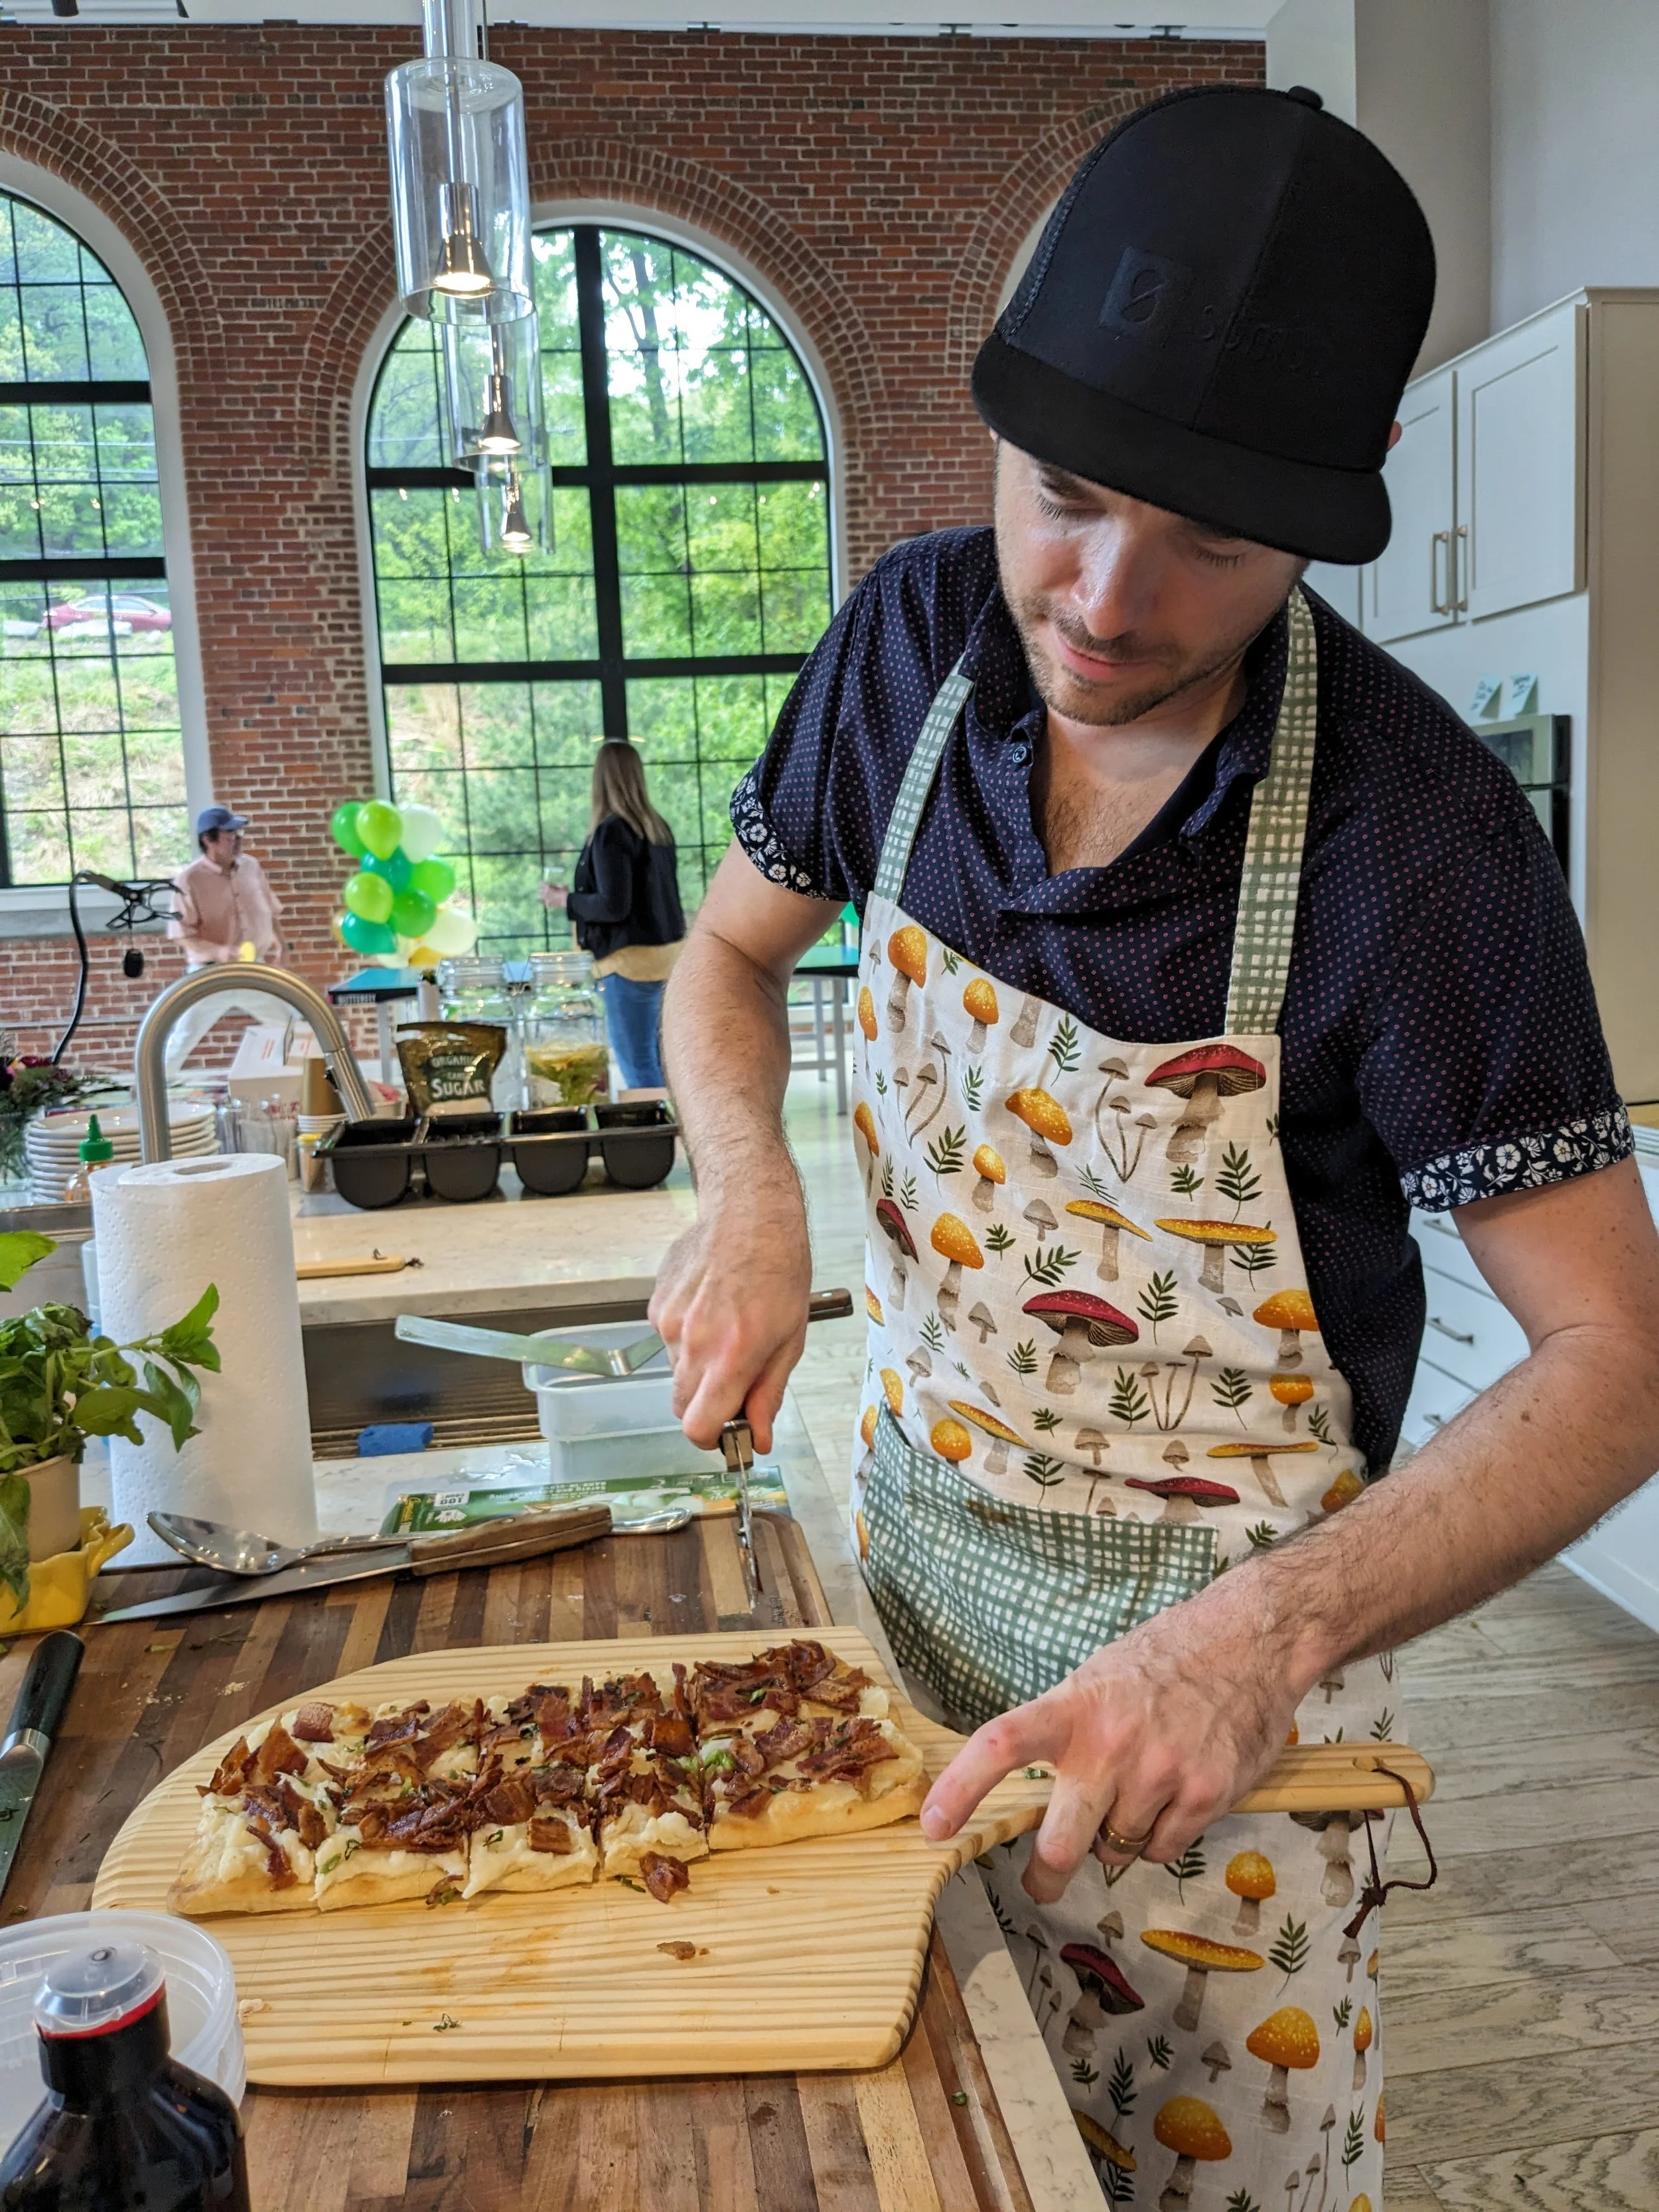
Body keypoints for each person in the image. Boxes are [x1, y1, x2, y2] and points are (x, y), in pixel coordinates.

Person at [648, 86, 1659, 2203]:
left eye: (1201, 540)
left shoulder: (1422, 845)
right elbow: (724, 965)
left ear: (1336, 503)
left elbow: (1612, 1361)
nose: (1100, 600)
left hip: (1218, 1735)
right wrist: (746, 1188)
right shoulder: (903, 654)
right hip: (894, 1592)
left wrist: (1261, 1641)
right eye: (1062, 497)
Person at [542, 740, 685, 1091]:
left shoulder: (611, 832)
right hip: (667, 962)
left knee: (638, 1067)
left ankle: (655, 1143)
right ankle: (675, 1140)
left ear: (600, 779)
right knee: (661, 1063)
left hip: (626, 965)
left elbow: (613, 906)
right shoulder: (657, 829)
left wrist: (567, 901)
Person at [164, 804, 291, 1070]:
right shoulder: (189, 880)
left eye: (239, 832)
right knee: (184, 1035)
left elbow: (269, 909)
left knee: (290, 1022)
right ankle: (154, 1084)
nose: (238, 839)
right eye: (230, 833)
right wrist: (218, 952)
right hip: (210, 974)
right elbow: (181, 935)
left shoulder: (251, 867)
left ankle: (285, 1075)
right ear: (208, 839)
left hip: (252, 969)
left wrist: (282, 945)